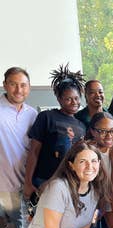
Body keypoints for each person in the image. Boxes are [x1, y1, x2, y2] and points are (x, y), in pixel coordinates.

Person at [0, 66, 39, 228]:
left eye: (23, 85)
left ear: (29, 87)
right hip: (1, 186)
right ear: (5, 84)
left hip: (22, 187)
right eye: (13, 84)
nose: (18, 89)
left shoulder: (32, 114)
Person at [23, 64, 86, 200]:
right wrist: (28, 182)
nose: (73, 102)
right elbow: (33, 151)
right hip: (44, 181)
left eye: (76, 98)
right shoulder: (47, 117)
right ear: (59, 99)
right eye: (68, 99)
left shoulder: (81, 125)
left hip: (71, 184)